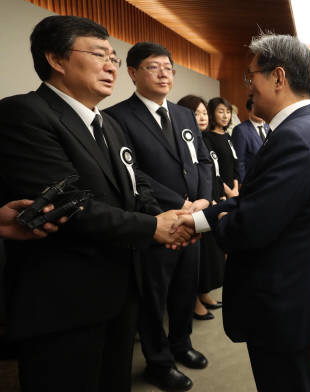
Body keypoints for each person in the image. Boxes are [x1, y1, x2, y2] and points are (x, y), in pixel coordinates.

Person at [0, 15, 191, 392]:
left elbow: (136, 190)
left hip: (120, 292)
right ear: (56, 59)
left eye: (114, 58)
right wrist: (155, 228)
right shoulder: (25, 114)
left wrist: (171, 218)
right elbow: (68, 206)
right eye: (99, 54)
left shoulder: (109, 124)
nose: (111, 66)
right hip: (64, 302)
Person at [176, 33, 310, 392]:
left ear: (279, 77)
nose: (249, 86)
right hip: (296, 290)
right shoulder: (308, 129)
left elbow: (248, 227)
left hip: (283, 299)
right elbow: (260, 198)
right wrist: (206, 216)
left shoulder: (295, 137)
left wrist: (219, 223)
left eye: (252, 75)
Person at [106, 41, 212, 392]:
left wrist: (202, 200)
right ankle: (159, 361)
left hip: (192, 218)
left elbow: (203, 161)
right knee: (154, 296)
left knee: (186, 287)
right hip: (156, 222)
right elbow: (131, 172)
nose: (164, 73)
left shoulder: (183, 115)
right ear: (133, 73)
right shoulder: (117, 118)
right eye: (154, 67)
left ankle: (182, 343)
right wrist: (176, 205)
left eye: (168, 67)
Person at [177, 95, 234, 322]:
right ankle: (194, 299)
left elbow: (213, 171)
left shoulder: (206, 139)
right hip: (192, 204)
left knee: (209, 255)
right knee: (196, 256)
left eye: (203, 113)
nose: (201, 117)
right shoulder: (183, 138)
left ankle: (203, 293)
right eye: (196, 113)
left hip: (210, 200)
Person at [231, 97, 270, 184]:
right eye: (257, 108)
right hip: (252, 181)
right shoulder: (240, 130)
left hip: (269, 178)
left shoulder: (269, 127)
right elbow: (239, 161)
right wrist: (243, 183)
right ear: (249, 111)